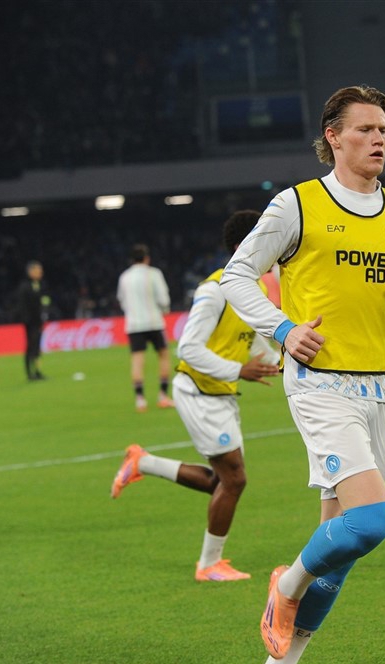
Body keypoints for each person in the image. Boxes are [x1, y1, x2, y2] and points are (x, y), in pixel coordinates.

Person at [219, 85, 385, 663]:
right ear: (333, 137)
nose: (378, 139)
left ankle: (281, 661)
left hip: (383, 384)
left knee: (341, 553)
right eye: (365, 129)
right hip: (322, 383)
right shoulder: (297, 204)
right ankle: (286, 585)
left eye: (383, 130)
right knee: (371, 521)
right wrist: (283, 329)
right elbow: (237, 275)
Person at [110, 211, 280, 581]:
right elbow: (188, 348)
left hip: (221, 393)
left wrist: (278, 363)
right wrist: (239, 370)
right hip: (199, 392)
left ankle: (142, 463)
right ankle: (208, 565)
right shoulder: (214, 290)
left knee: (223, 481)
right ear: (244, 245)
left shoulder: (258, 289)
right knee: (234, 480)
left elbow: (250, 341)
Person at [117, 244, 174, 411]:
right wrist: (165, 309)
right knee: (164, 356)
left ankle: (140, 400)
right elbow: (163, 299)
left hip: (134, 324)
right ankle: (163, 396)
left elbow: (122, 300)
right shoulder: (154, 274)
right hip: (154, 322)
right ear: (147, 258)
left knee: (137, 360)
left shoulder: (124, 277)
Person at [15, 260, 50, 381]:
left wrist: (45, 310)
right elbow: (22, 306)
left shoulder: (41, 285)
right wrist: (27, 320)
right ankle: (30, 373)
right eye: (38, 270)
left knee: (37, 347)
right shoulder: (24, 287)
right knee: (31, 346)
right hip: (30, 322)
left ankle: (37, 371)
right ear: (31, 272)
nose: (41, 272)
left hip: (39, 321)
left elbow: (45, 299)